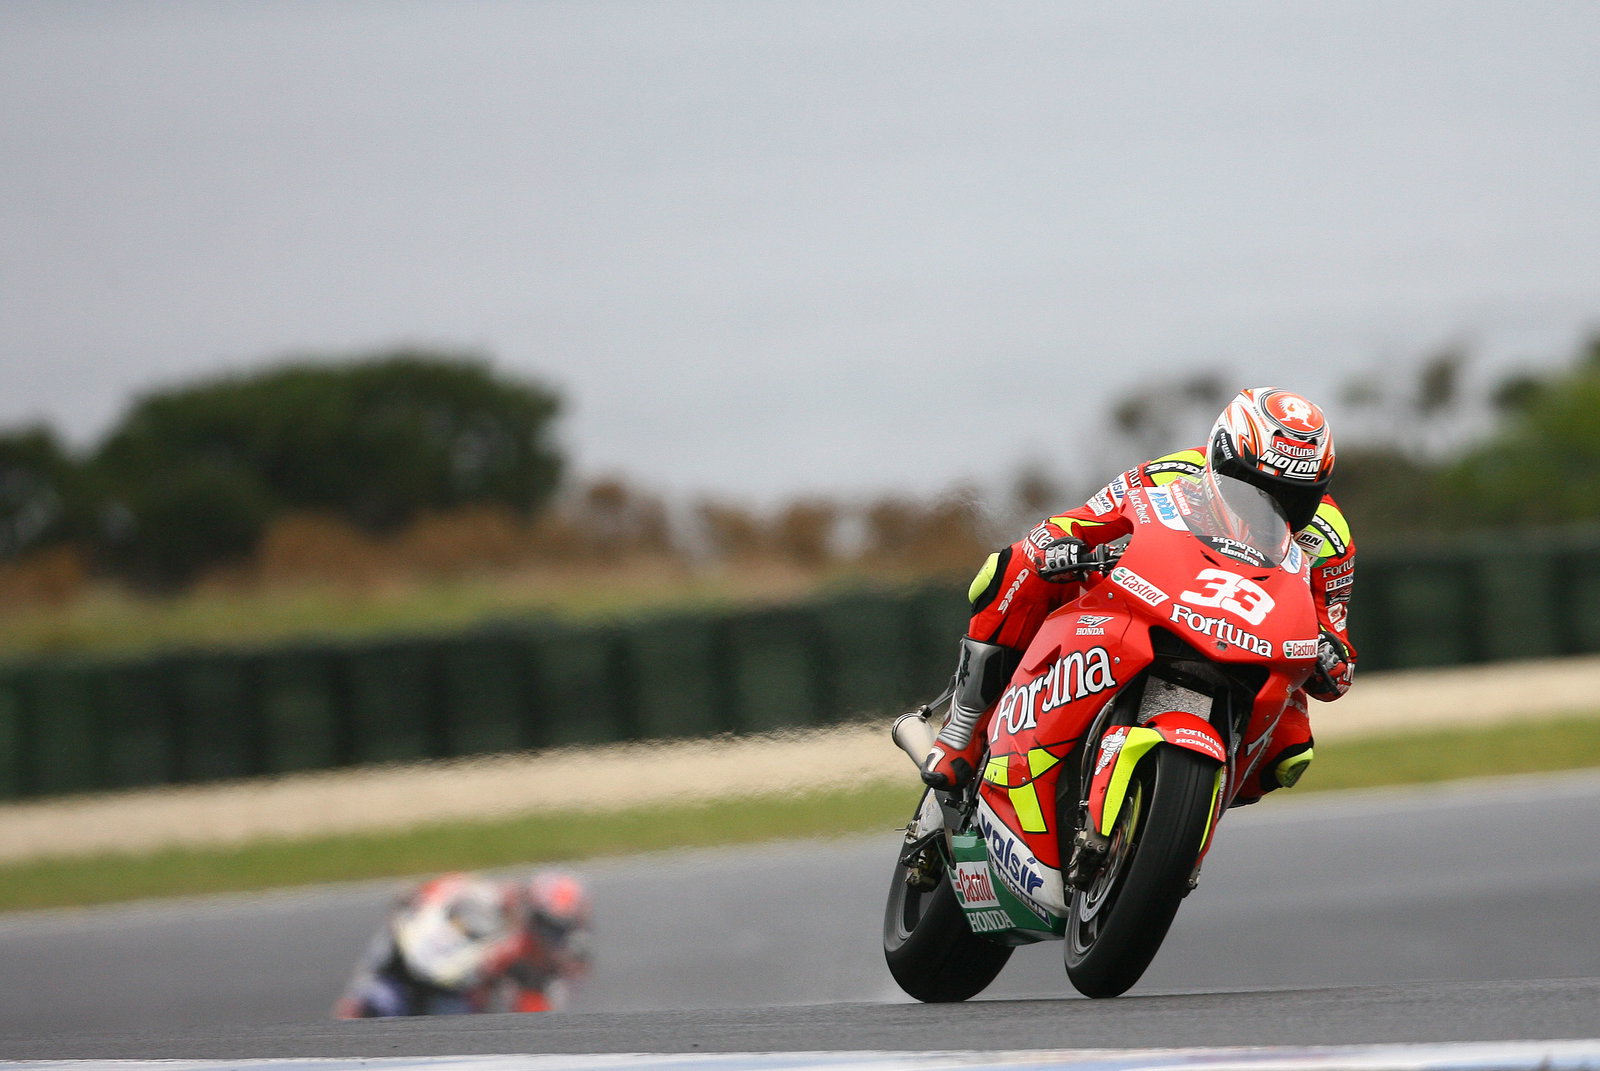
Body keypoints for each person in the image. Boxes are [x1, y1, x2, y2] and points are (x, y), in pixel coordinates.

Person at [919, 386, 1357, 803]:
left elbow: (1333, 641)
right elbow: (1084, 521)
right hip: (1145, 602)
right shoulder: (1172, 474)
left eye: (1293, 496)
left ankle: (1173, 816)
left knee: (1290, 752)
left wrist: (1331, 658)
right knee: (1012, 566)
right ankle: (963, 727)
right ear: (1220, 458)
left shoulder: (1329, 538)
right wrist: (1059, 544)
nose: (1269, 503)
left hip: (1249, 641)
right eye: (1251, 483)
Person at [333, 869, 592, 1018]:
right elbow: (435, 893)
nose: (549, 933)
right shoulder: (485, 895)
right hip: (412, 969)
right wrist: (416, 898)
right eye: (545, 922)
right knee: (372, 994)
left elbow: (540, 1016)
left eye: (558, 928)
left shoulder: (561, 959)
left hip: (462, 998)